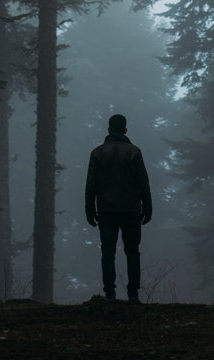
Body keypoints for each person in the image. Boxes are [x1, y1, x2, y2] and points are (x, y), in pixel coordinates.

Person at [84, 113, 153, 302]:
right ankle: (133, 294)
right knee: (132, 251)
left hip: (106, 210)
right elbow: (143, 183)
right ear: (125, 130)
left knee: (108, 252)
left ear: (108, 130)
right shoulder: (134, 152)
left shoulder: (97, 153)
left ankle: (110, 293)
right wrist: (147, 208)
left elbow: (91, 185)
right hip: (131, 210)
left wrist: (90, 210)